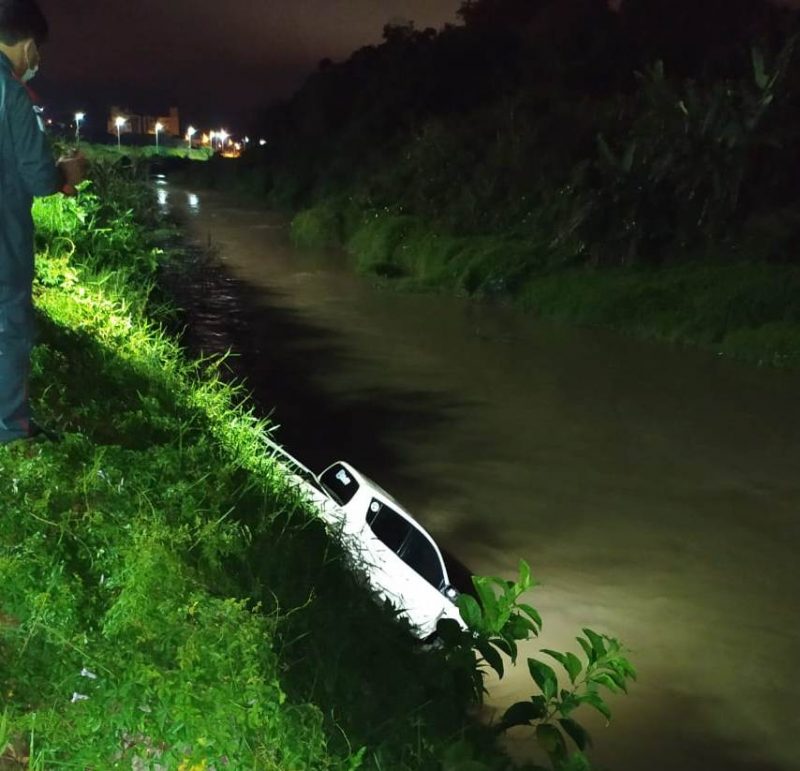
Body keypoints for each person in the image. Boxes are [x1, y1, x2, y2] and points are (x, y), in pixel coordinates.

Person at [0, 0, 84, 444]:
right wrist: (66, 172)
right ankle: (11, 435)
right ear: (29, 47)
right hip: (3, 241)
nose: (37, 63)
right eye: (38, 53)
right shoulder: (10, 92)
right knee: (9, 330)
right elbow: (37, 177)